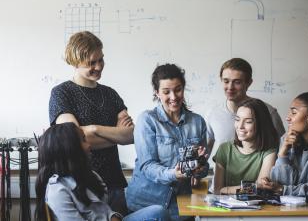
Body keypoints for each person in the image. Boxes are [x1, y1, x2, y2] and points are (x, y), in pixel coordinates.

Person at [49, 31, 133, 215]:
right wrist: (115, 134)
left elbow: (130, 135)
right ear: (75, 62)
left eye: (101, 60)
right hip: (81, 186)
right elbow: (73, 139)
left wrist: (93, 130)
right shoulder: (62, 93)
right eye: (91, 63)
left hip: (114, 183)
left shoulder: (110, 94)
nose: (99, 66)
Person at [35, 122, 170, 221]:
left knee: (158, 212)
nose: (89, 145)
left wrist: (113, 217)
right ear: (68, 149)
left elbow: (104, 211)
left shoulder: (91, 176)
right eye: (82, 140)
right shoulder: (57, 190)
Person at [125, 64, 209, 221]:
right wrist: (174, 174)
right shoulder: (147, 120)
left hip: (181, 206)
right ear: (157, 93)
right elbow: (147, 166)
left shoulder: (198, 122)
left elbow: (203, 170)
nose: (173, 96)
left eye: (178, 89)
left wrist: (200, 166)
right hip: (146, 204)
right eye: (166, 92)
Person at [205, 57, 285, 193]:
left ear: (249, 83)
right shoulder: (212, 114)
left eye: (237, 82)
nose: (230, 87)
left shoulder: (268, 113)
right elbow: (204, 154)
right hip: (221, 196)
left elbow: (282, 152)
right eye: (226, 81)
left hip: (258, 197)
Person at [258, 89, 308, 196]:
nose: (288, 118)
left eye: (294, 112)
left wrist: (283, 189)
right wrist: (283, 154)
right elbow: (280, 185)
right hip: (291, 209)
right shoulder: (287, 140)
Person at [213, 98, 278, 195]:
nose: (240, 126)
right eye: (237, 119)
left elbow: (261, 188)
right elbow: (217, 190)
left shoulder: (269, 152)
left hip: (257, 208)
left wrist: (227, 190)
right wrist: (253, 187)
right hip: (226, 208)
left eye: (248, 122)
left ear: (261, 124)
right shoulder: (224, 149)